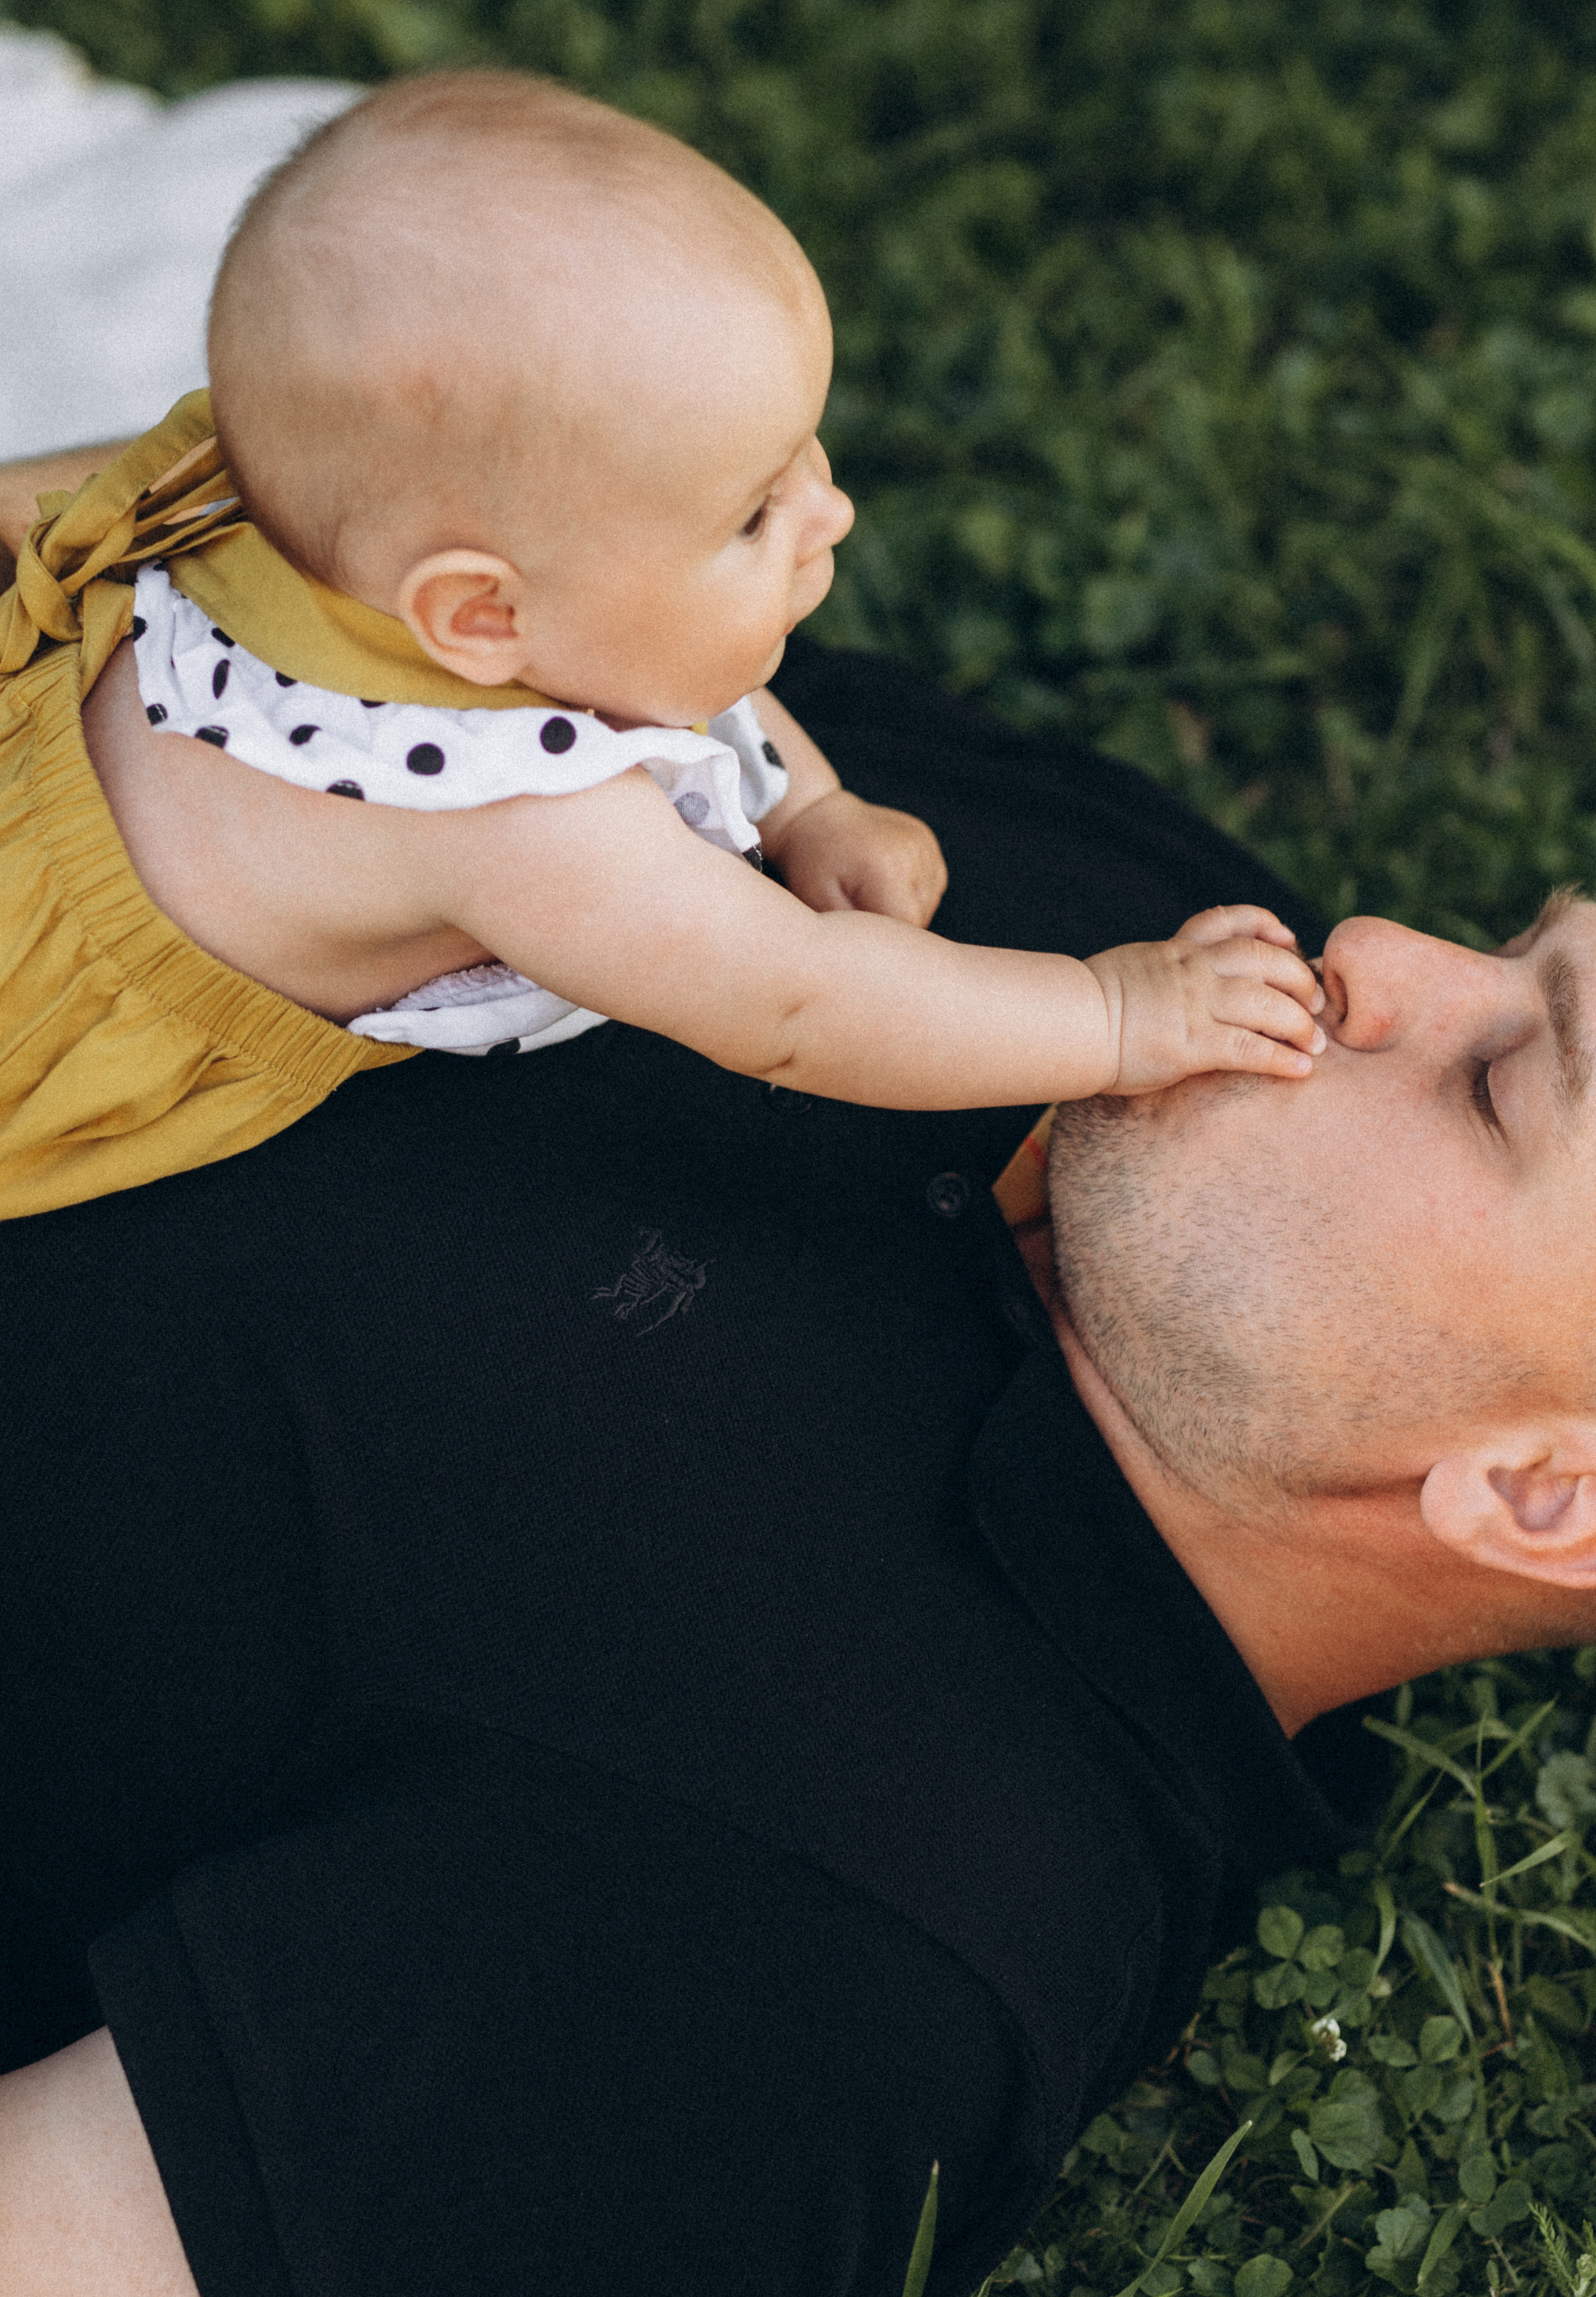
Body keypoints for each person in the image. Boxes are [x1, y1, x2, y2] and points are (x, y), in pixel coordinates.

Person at [6, 394, 1596, 2290]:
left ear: (1542, 1488)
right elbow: (372, 587)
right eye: (1516, 939)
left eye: (1503, 1082)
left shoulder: (826, 1958)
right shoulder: (1125, 925)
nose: (1386, 954)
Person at [0, 68, 1324, 1218]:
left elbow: (658, 678)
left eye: (803, 453)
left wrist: (813, 803)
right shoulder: (523, 829)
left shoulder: (325, 506)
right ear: (477, 617)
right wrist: (1115, 1017)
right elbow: (799, 1006)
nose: (830, 509)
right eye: (754, 513)